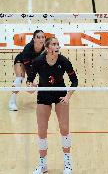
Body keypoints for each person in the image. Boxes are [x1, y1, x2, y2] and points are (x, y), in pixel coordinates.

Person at [27, 37, 78, 174]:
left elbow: (74, 81)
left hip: (60, 94)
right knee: (42, 131)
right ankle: (42, 164)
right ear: (47, 48)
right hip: (44, 95)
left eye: (58, 44)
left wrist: (68, 96)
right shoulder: (38, 62)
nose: (57, 46)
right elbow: (29, 82)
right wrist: (31, 86)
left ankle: (67, 163)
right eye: (54, 44)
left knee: (64, 128)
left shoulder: (63, 61)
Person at [8, 30, 45, 111]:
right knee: (19, 78)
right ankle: (12, 102)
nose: (41, 39)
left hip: (34, 63)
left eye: (43, 37)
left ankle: (42, 98)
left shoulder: (45, 48)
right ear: (34, 39)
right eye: (38, 37)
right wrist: (30, 81)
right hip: (21, 61)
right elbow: (27, 66)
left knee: (43, 76)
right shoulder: (28, 48)